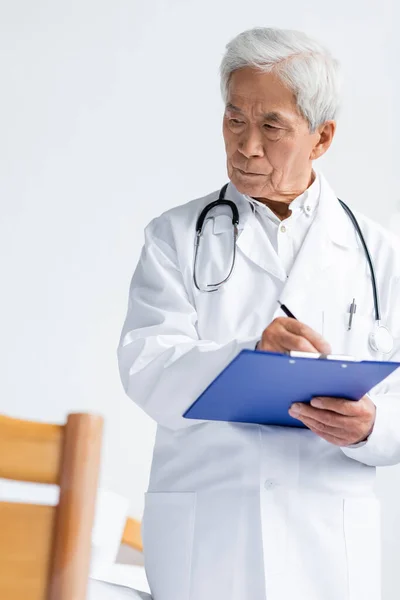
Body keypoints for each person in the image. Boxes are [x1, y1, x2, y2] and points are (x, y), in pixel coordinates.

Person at [117, 27, 400, 600]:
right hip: (212, 532)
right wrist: (246, 352)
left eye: (271, 127)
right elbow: (145, 365)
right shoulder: (175, 236)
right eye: (234, 120)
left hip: (327, 540)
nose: (246, 146)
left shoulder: (378, 253)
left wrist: (373, 427)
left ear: (321, 138)